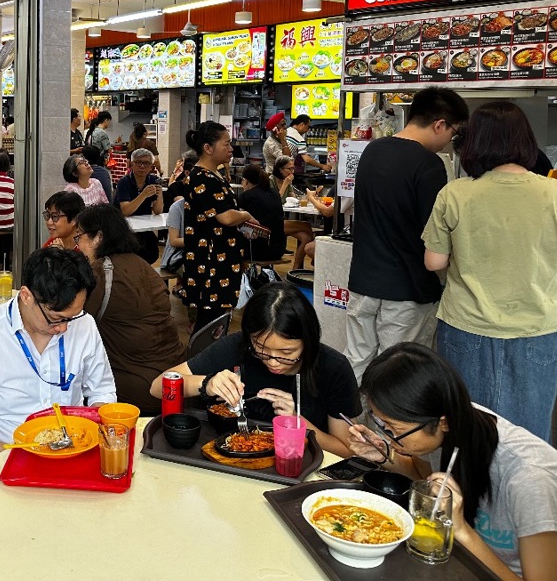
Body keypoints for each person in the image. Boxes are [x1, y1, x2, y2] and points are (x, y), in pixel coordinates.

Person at [422, 102, 557, 442]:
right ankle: (523, 495)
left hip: (466, 327)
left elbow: (434, 262)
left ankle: (464, 495)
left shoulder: (455, 194)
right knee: (528, 437)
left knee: (466, 429)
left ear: (474, 143)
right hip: (537, 329)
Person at [349, 343, 557, 580]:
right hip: (460, 560)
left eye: (395, 430)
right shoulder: (446, 426)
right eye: (383, 426)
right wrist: (386, 454)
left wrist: (462, 531)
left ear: (442, 422)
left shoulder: (530, 479)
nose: (390, 436)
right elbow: (424, 479)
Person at [0, 247, 117, 459]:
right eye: (56, 318)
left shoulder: (84, 324)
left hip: (74, 451)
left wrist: (93, 433)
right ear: (26, 296)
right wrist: (20, 458)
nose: (63, 329)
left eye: (72, 317)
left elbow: (102, 391)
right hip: (8, 455)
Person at [152, 283, 361, 457]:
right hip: (228, 460)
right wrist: (206, 383)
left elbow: (346, 450)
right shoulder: (237, 347)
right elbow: (156, 388)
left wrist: (299, 424)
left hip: (297, 467)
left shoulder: (333, 368)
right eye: (261, 349)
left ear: (308, 340)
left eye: (287, 353)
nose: (273, 362)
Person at [346, 87, 469, 381]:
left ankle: (349, 427)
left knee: (356, 365)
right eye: (453, 133)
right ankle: (386, 430)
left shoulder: (372, 150)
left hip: (363, 282)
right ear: (439, 124)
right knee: (400, 376)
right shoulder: (429, 164)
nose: (449, 141)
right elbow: (435, 234)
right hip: (406, 290)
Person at [75, 205, 186, 414]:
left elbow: (76, 325)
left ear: (98, 237)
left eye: (79, 237)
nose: (78, 245)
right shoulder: (144, 266)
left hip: (136, 388)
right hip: (175, 381)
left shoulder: (102, 272)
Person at [178, 122, 258, 332]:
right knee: (210, 321)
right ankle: (201, 363)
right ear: (208, 148)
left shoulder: (215, 174)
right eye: (226, 144)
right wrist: (246, 215)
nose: (231, 149)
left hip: (221, 257)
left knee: (217, 320)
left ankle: (210, 362)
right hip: (210, 260)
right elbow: (225, 217)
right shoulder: (201, 177)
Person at [113, 147, 165, 264]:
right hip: (124, 228)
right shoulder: (124, 182)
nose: (142, 166)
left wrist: (160, 195)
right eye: (138, 162)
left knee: (152, 251)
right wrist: (144, 194)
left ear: (151, 166)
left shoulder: (153, 180)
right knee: (134, 252)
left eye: (146, 163)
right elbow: (125, 211)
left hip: (143, 226)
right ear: (132, 164)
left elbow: (157, 211)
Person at [271, 156, 315, 270]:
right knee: (307, 226)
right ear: (280, 169)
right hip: (271, 220)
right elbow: (273, 202)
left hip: (282, 218)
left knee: (306, 237)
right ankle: (314, 259)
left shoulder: (288, 181)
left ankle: (295, 269)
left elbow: (293, 198)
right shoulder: (271, 180)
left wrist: (306, 198)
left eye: (293, 168)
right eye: (289, 169)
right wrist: (285, 184)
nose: (292, 171)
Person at [236, 164, 287, 265]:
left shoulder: (245, 196)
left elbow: (236, 219)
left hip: (256, 251)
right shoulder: (274, 193)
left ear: (245, 180)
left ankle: (241, 278)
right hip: (279, 249)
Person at [286, 114, 330, 179]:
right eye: (308, 127)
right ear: (302, 124)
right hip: (288, 170)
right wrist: (322, 166)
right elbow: (307, 160)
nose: (308, 130)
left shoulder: (287, 131)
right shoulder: (299, 138)